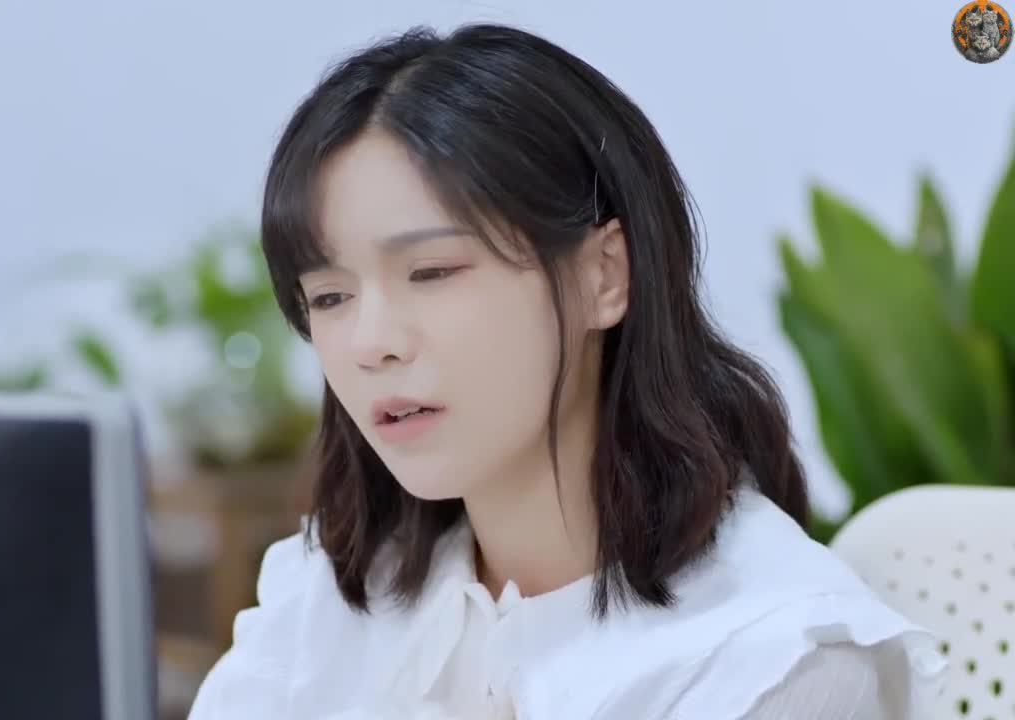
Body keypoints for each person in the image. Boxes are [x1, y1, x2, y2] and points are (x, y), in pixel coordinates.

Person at [188, 22, 946, 720]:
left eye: (432, 271)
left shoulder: (772, 658)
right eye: (330, 296)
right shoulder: (330, 598)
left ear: (602, 275)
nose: (370, 342)